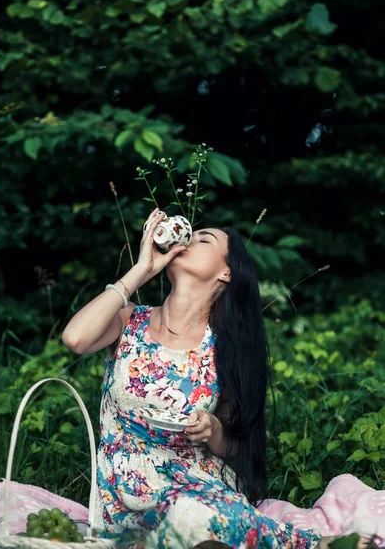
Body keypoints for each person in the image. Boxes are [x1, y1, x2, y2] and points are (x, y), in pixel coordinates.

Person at [62, 208, 373, 549]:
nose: (187, 241)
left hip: (198, 489)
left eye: (202, 239)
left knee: (191, 515)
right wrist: (141, 270)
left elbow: (234, 444)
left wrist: (211, 429)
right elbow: (76, 339)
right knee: (190, 521)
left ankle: (314, 544)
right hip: (124, 496)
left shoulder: (225, 348)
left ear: (226, 272)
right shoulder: (129, 322)